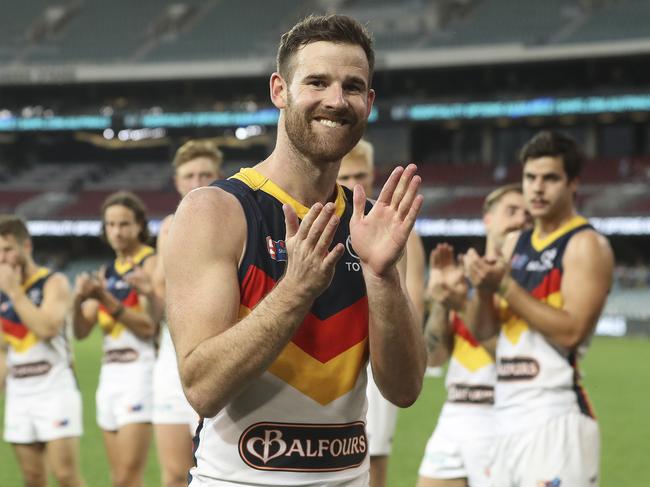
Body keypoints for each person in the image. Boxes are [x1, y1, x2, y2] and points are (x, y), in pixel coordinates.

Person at [164, 14, 427, 486]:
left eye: (352, 86)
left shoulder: (371, 227)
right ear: (279, 90)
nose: (335, 100)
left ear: (368, 102)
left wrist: (384, 278)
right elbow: (202, 387)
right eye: (317, 82)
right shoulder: (216, 211)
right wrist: (297, 289)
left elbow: (404, 390)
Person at [464, 131, 614, 487]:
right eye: (530, 178)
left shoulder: (586, 244)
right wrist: (482, 291)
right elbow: (484, 332)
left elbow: (572, 330)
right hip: (505, 413)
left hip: (555, 414)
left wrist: (505, 285)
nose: (537, 188)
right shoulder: (515, 242)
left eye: (550, 178)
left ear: (573, 183)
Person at [417, 185, 529, 487]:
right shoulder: (462, 278)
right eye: (512, 211)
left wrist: (462, 306)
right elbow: (435, 357)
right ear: (488, 220)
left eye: (527, 215)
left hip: (503, 414)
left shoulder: (528, 285)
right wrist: (440, 303)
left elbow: (515, 360)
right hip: (455, 412)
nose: (521, 220)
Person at [337, 139, 425, 487]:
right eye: (346, 175)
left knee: (374, 462)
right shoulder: (323, 221)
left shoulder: (401, 232)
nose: (354, 183)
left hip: (378, 361)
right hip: (334, 355)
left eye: (360, 174)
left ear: (372, 175)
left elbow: (411, 303)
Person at [72, 192, 161, 487]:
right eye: (110, 224)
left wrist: (103, 298)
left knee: (128, 476)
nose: (117, 231)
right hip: (109, 373)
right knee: (117, 478)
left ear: (139, 226)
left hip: (140, 370)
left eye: (124, 224)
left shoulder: (150, 263)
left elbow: (148, 327)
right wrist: (78, 300)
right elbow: (82, 331)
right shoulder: (106, 272)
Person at [152, 140, 223, 487]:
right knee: (173, 475)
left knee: (215, 470)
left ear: (218, 176)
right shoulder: (167, 229)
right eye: (190, 174)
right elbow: (157, 300)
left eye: (206, 174)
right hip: (171, 360)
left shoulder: (233, 224)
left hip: (217, 356)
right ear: (177, 181)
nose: (198, 181)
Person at [0, 215, 85, 487]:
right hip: (20, 393)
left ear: (26, 247)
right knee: (33, 478)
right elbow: (3, 348)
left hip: (54, 389)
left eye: (8, 249)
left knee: (65, 476)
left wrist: (14, 292)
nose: (3, 258)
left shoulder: (53, 282)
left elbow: (47, 328)